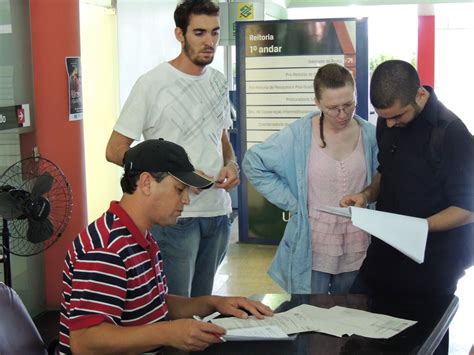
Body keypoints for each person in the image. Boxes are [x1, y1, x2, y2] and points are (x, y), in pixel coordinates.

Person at [59, 139, 272, 354]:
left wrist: (214, 303)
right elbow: (84, 342)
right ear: (146, 183)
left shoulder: (141, 236)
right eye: (179, 189)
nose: (186, 200)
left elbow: (157, 305)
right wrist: (168, 333)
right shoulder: (105, 249)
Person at [105, 0, 239, 298]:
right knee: (174, 312)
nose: (210, 42)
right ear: (180, 34)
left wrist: (231, 165)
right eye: (200, 33)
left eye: (215, 33)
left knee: (202, 309)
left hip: (217, 214)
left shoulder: (218, 82)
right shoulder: (152, 84)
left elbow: (222, 141)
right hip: (175, 217)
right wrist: (176, 178)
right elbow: (115, 150)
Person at [340, 60, 474, 354]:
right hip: (384, 259)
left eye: (397, 115)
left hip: (432, 267)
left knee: (423, 345)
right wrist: (365, 195)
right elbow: (384, 172)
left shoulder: (452, 133)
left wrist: (419, 227)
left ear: (421, 95)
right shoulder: (387, 123)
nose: (389, 124)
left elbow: (467, 207)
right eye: (383, 117)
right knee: (359, 335)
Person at [242, 63, 378, 294]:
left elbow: (382, 178)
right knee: (308, 314)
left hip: (357, 241)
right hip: (312, 243)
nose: (342, 114)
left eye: (349, 105)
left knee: (351, 314)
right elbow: (253, 163)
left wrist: (367, 196)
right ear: (317, 102)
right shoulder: (298, 135)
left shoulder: (371, 135)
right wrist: (295, 203)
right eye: (333, 108)